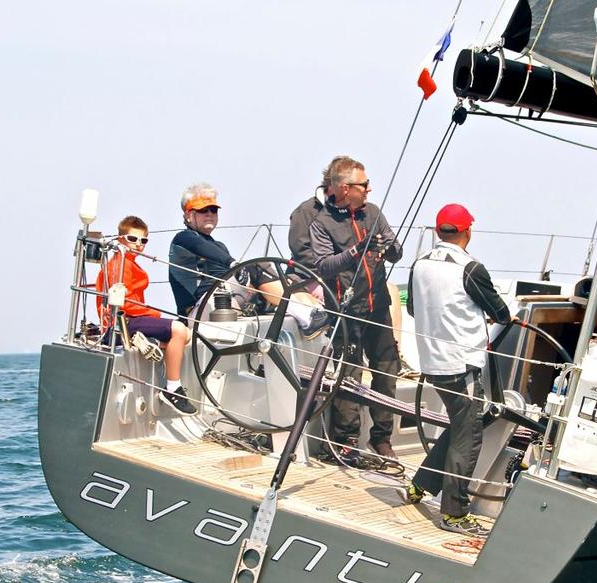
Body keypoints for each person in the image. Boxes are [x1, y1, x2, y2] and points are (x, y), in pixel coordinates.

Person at [404, 204, 512, 538]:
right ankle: (454, 514)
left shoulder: (419, 264)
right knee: (470, 434)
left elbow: (411, 307)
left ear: (439, 231)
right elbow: (502, 312)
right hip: (460, 363)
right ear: (468, 231)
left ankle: (420, 485)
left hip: (431, 362)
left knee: (463, 423)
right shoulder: (471, 268)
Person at [289, 157, 403, 462]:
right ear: (344, 188)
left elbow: (396, 249)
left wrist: (389, 248)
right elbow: (323, 265)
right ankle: (345, 440)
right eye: (363, 185)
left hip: (377, 305)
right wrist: (356, 251)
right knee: (350, 375)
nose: (369, 189)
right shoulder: (322, 223)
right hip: (345, 308)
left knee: (387, 371)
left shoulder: (373, 213)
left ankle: (381, 438)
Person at [169, 183, 328, 338]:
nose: (210, 213)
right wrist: (234, 265)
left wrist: (243, 276)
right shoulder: (183, 239)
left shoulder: (219, 245)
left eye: (214, 210)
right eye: (203, 210)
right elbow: (200, 246)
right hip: (199, 310)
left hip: (226, 298)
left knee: (287, 280)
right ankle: (307, 316)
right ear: (189, 215)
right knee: (255, 266)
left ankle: (316, 312)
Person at [96, 216, 197, 415]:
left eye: (143, 241)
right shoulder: (120, 265)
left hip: (130, 321)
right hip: (122, 324)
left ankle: (150, 341)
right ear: (120, 239)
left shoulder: (127, 263)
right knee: (179, 330)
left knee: (186, 334)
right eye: (133, 239)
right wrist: (155, 314)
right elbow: (123, 304)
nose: (138, 245)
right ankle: (172, 388)